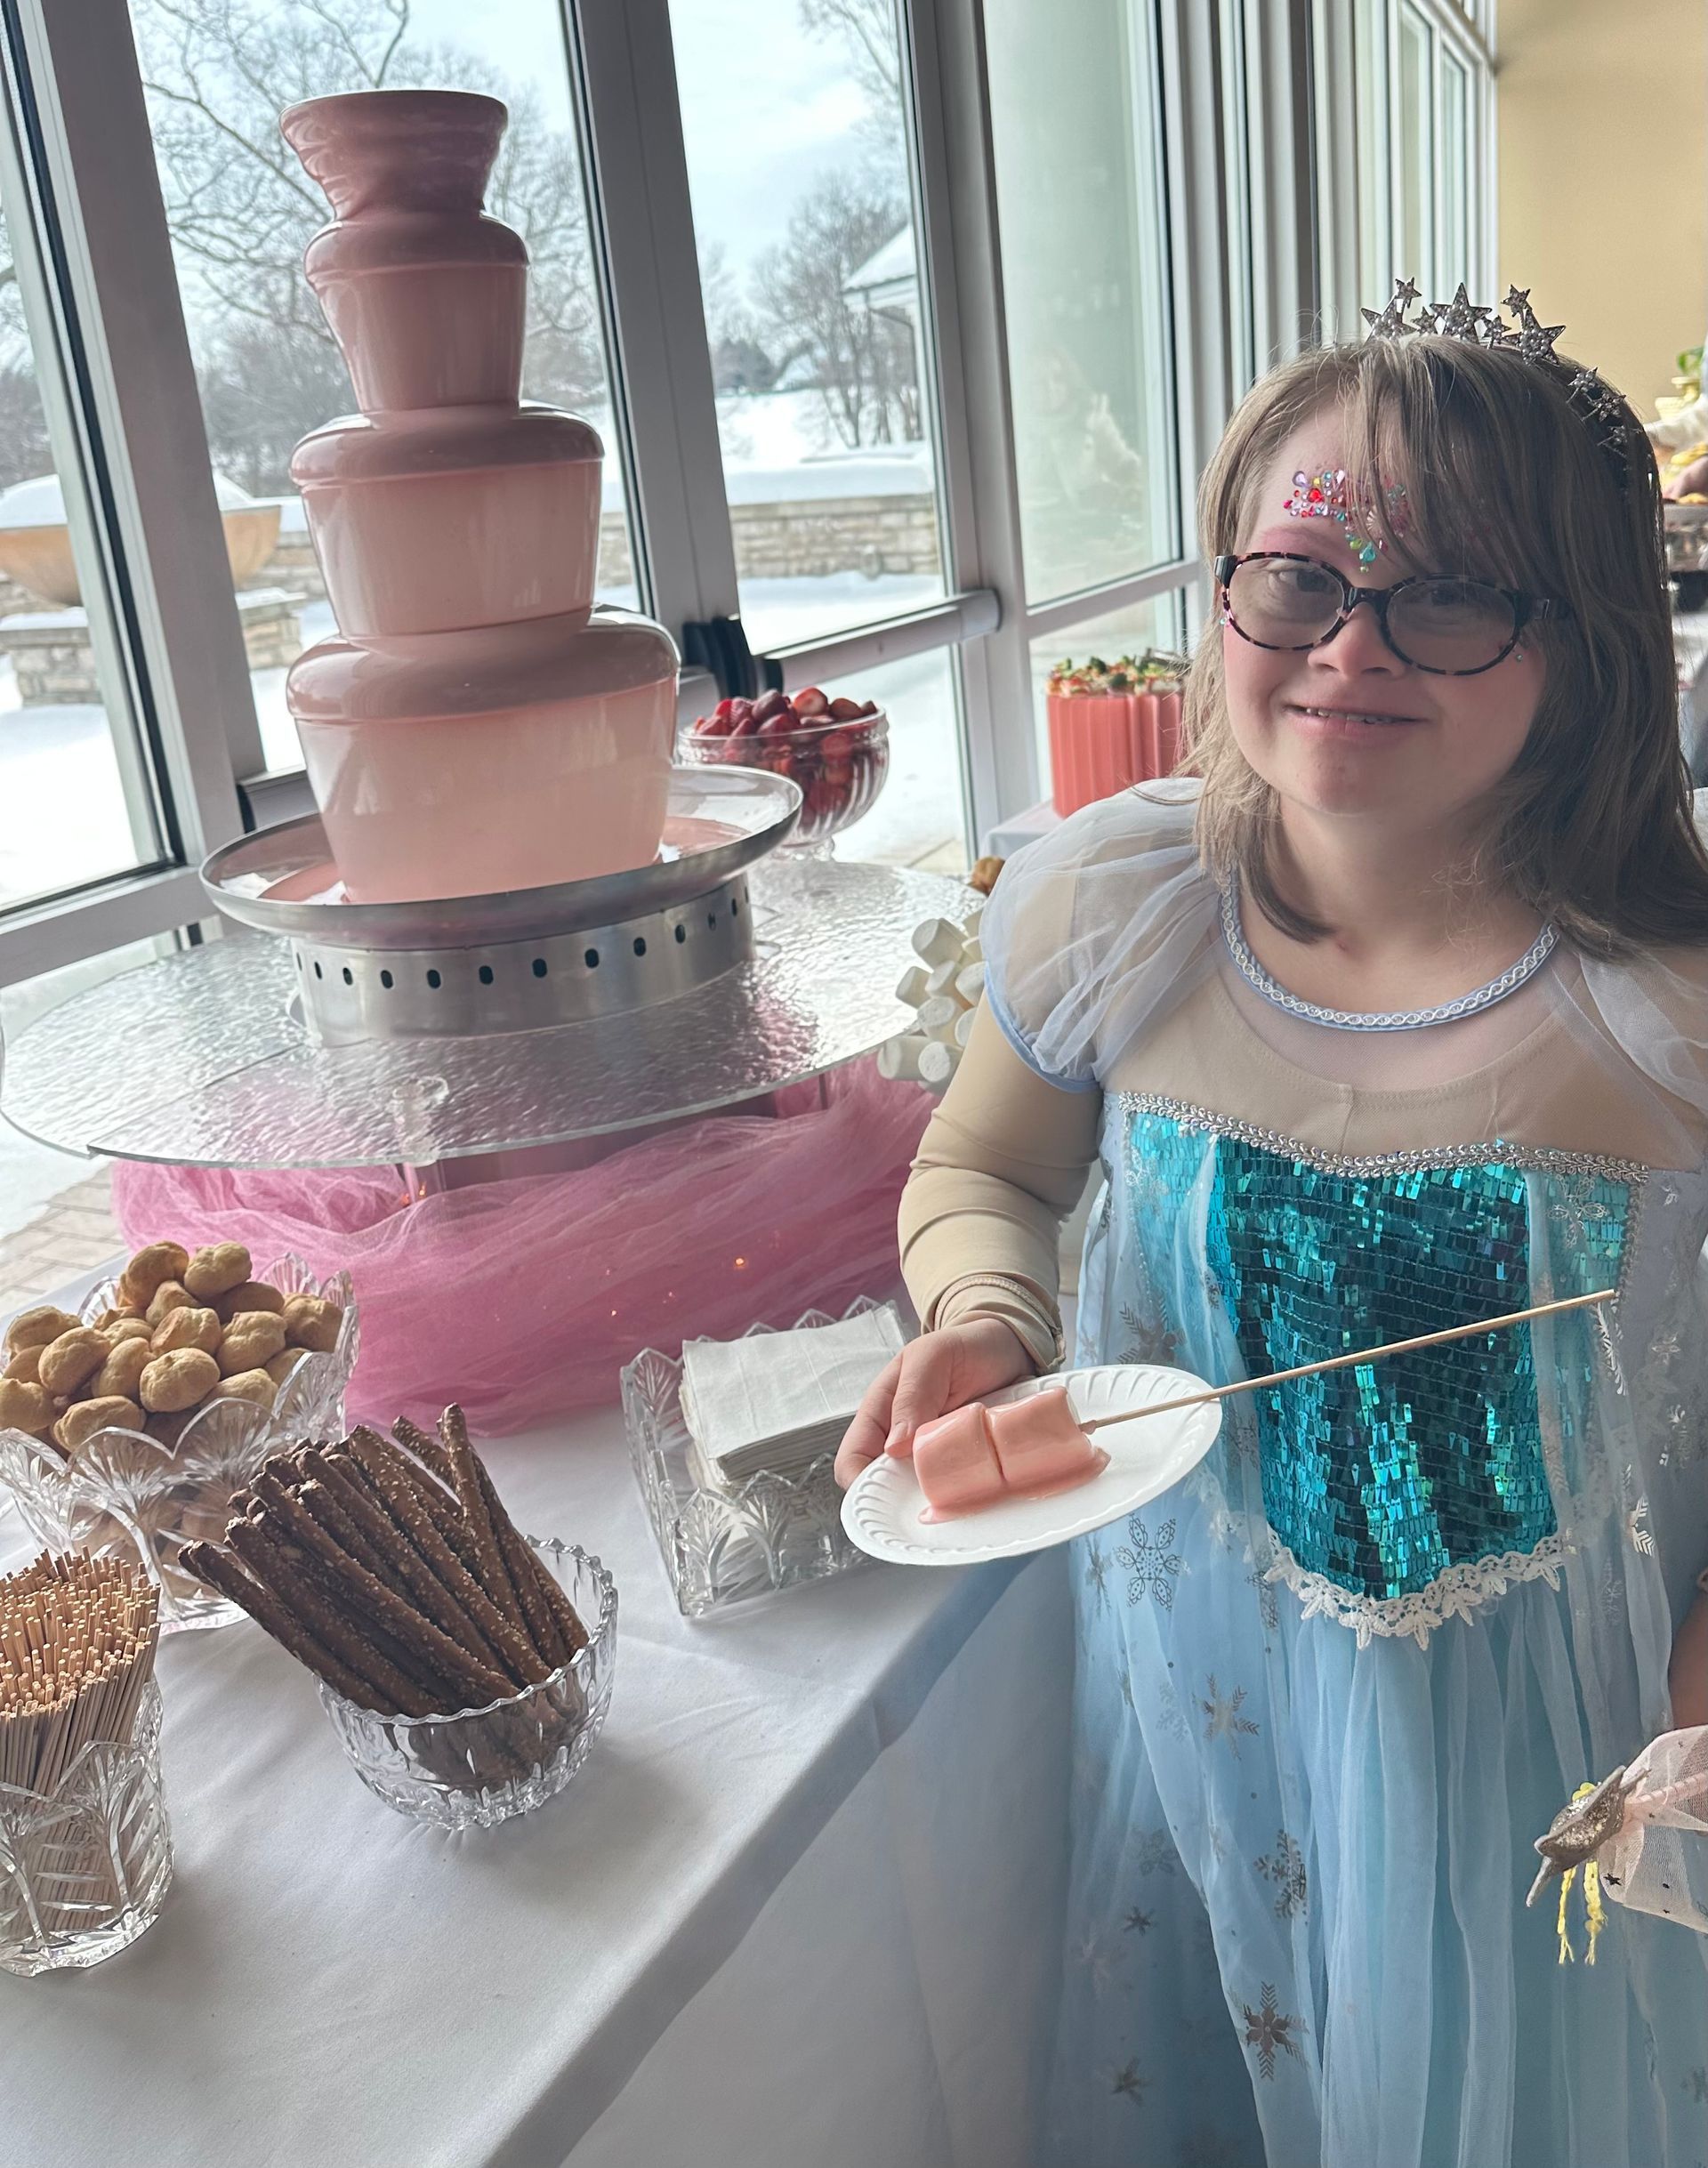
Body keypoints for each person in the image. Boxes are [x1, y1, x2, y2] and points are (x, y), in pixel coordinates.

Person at [837, 293, 1708, 2168]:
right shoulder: (1120, 914)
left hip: (1565, 1717)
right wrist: (986, 1315)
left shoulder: (1669, 1008)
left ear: (1590, 642)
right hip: (1212, 1683)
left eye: (1448, 594)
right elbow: (986, 1168)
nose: (1351, 645)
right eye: (1299, 578)